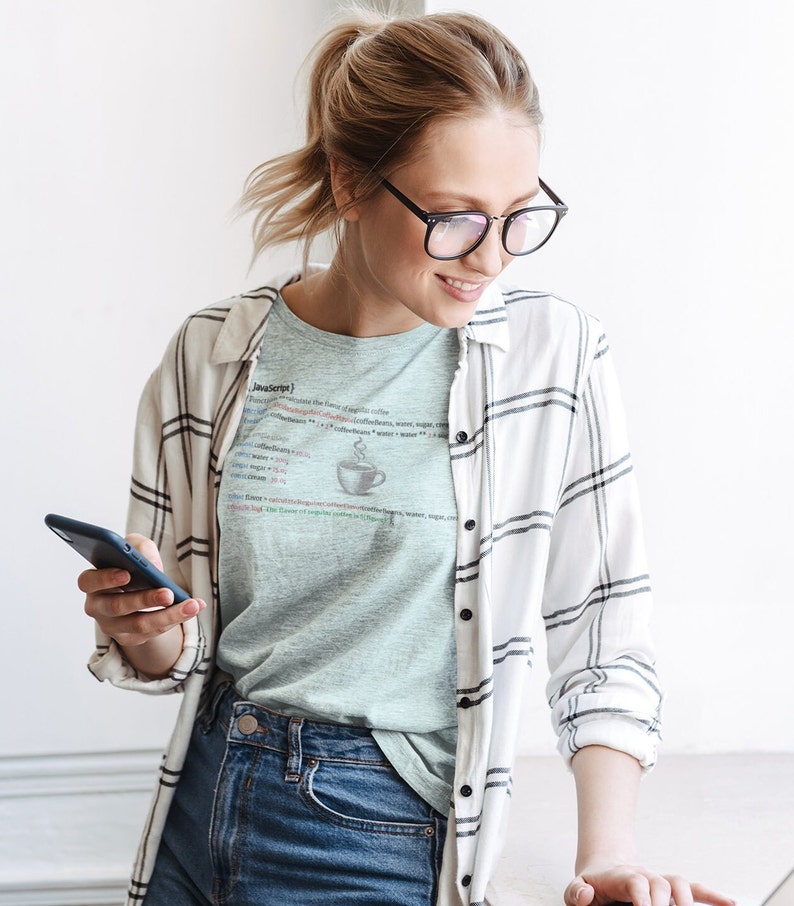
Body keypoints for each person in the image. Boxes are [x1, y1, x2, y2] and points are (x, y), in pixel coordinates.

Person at [79, 10, 735, 906]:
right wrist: (147, 631)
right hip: (198, 812)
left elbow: (602, 631)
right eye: (456, 218)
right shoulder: (214, 353)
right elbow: (185, 649)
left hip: (378, 831)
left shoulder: (551, 358)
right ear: (350, 182)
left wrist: (605, 855)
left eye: (519, 216)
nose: (491, 258)